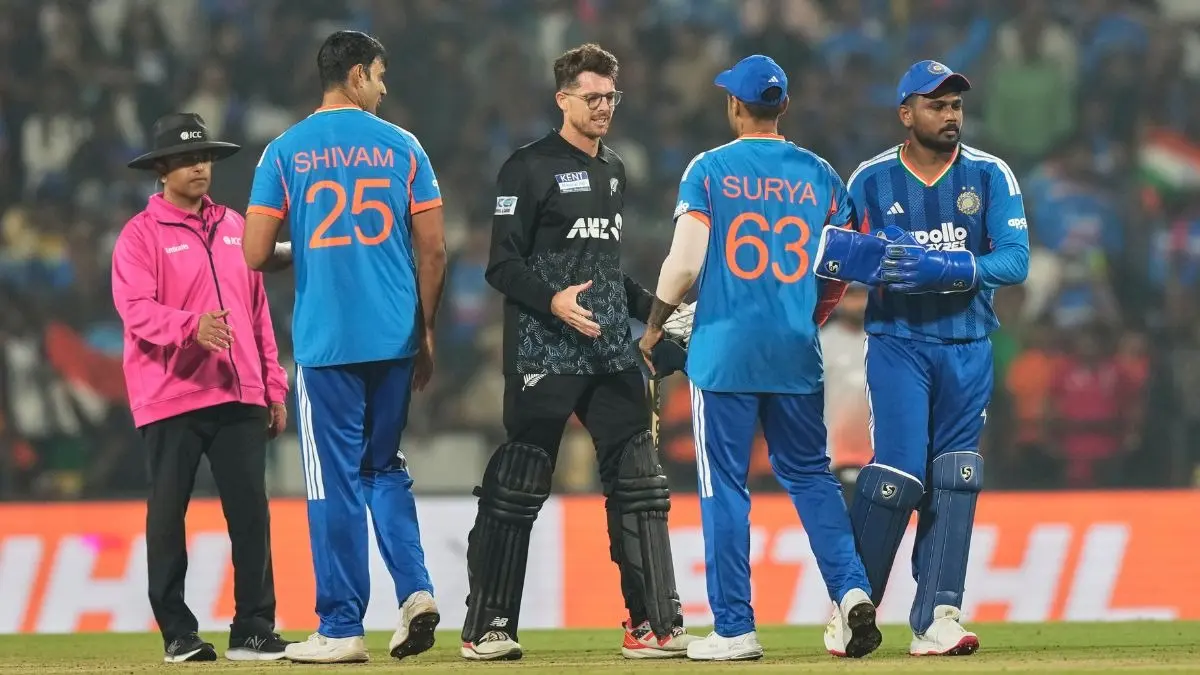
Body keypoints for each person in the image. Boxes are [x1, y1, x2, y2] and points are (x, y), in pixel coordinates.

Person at [637, 54, 881, 662]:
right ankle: (851, 591)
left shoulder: (709, 168)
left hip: (724, 351)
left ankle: (735, 627)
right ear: (785, 107)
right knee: (809, 476)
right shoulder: (822, 175)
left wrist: (654, 323)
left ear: (733, 106)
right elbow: (846, 264)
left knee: (724, 486)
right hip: (795, 348)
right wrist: (812, 315)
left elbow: (686, 262)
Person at [461, 42, 697, 661]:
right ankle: (487, 627)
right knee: (517, 486)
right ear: (562, 99)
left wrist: (656, 312)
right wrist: (553, 301)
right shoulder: (527, 167)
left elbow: (604, 271)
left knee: (640, 484)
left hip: (609, 352)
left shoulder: (615, 168)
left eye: (609, 97)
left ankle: (652, 626)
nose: (602, 108)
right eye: (590, 97)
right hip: (546, 347)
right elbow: (501, 266)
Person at [241, 30, 447, 664]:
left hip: (327, 345)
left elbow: (253, 253)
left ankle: (340, 627)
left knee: (330, 483)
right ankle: (415, 590)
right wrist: (426, 329)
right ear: (356, 76)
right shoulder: (404, 147)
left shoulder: (283, 151)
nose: (384, 88)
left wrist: (306, 247)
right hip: (393, 337)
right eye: (379, 77)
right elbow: (433, 249)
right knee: (383, 469)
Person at [813, 60, 1030, 656]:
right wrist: (874, 260)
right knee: (900, 476)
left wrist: (954, 266)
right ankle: (850, 605)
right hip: (900, 345)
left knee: (957, 479)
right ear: (906, 114)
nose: (951, 114)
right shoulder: (872, 179)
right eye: (937, 105)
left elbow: (1016, 261)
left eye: (956, 104)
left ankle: (938, 617)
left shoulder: (989, 174)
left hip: (968, 347)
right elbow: (829, 254)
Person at [111, 112, 291, 663]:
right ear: (162, 170)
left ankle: (254, 628)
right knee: (168, 515)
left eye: (206, 157)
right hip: (170, 395)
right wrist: (191, 327)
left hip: (239, 393)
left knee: (252, 514)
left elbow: (258, 312)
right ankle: (178, 634)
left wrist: (274, 387)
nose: (201, 167)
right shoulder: (139, 236)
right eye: (189, 159)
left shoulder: (237, 225)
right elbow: (135, 310)